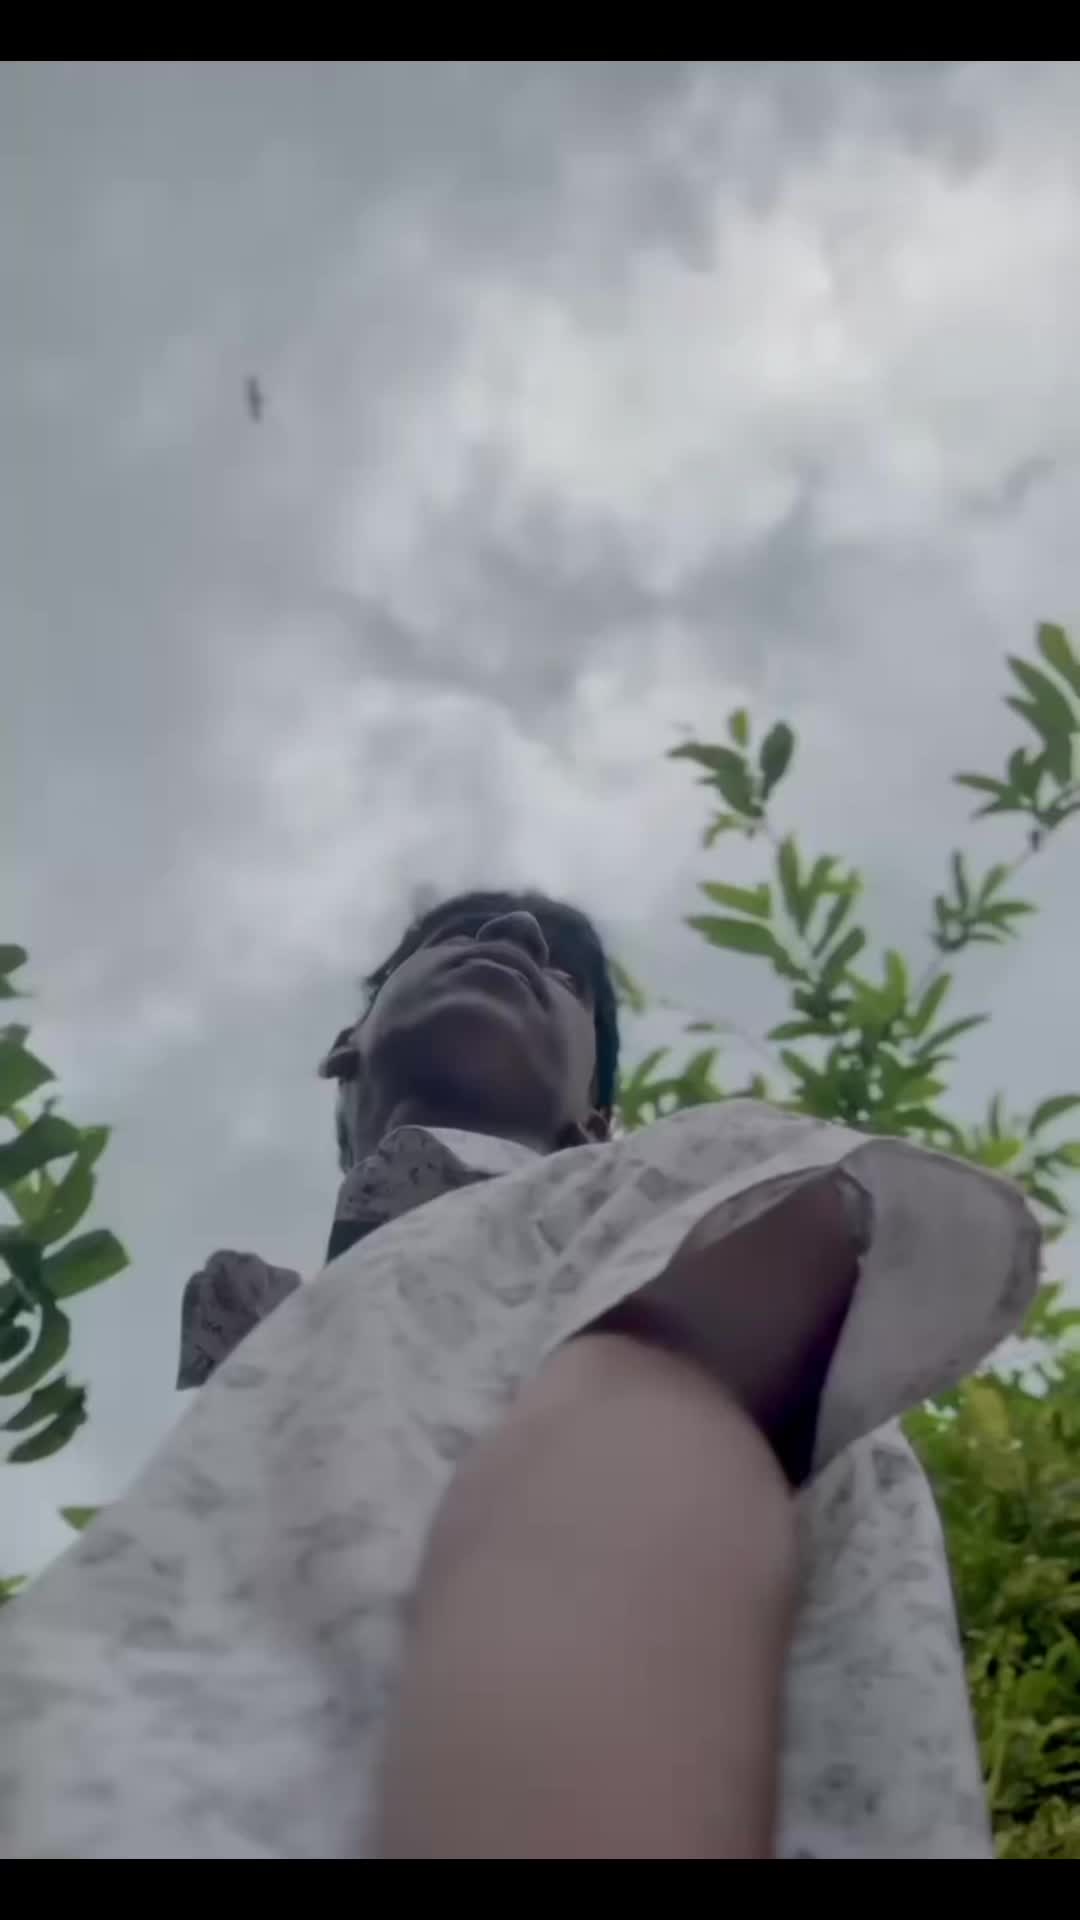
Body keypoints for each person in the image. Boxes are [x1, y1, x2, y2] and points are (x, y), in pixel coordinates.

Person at [0, 889, 1039, 1859]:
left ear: (596, 1122)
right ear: (344, 1048)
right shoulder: (303, 1344)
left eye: (569, 979)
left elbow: (636, 1480)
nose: (515, 941)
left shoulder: (669, 1200)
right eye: (452, 934)